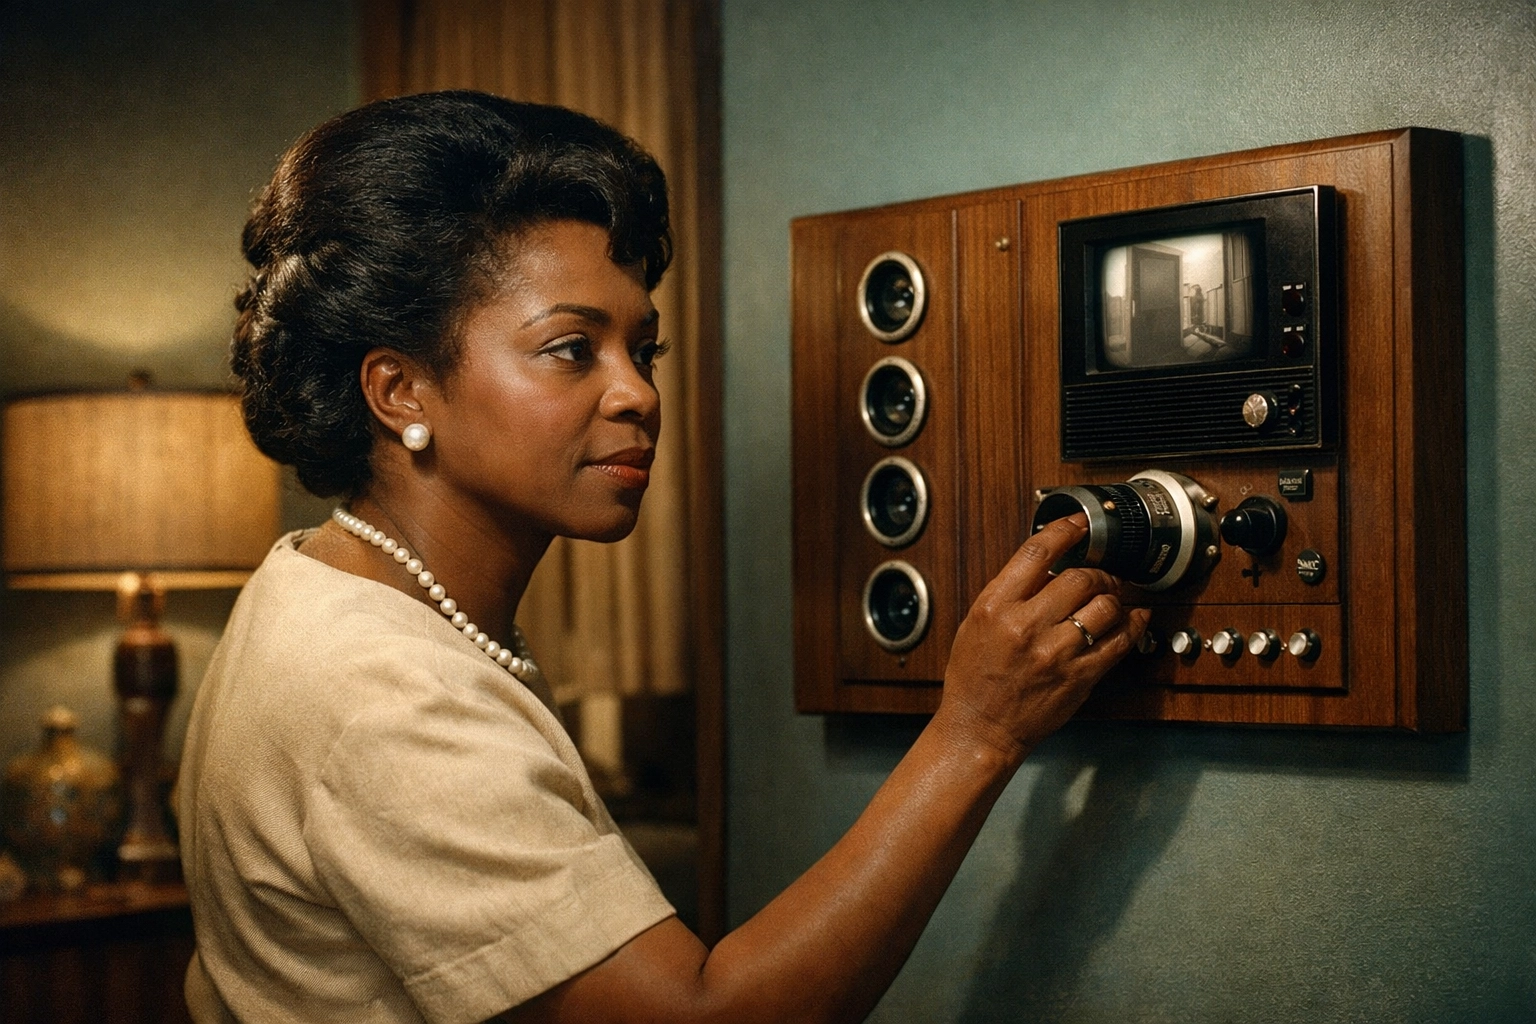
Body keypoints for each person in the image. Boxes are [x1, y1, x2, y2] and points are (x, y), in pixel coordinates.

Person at [177, 90, 1149, 1024]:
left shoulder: (310, 581)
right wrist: (976, 730)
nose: (637, 394)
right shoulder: (384, 691)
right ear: (400, 391)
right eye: (571, 348)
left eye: (645, 349)